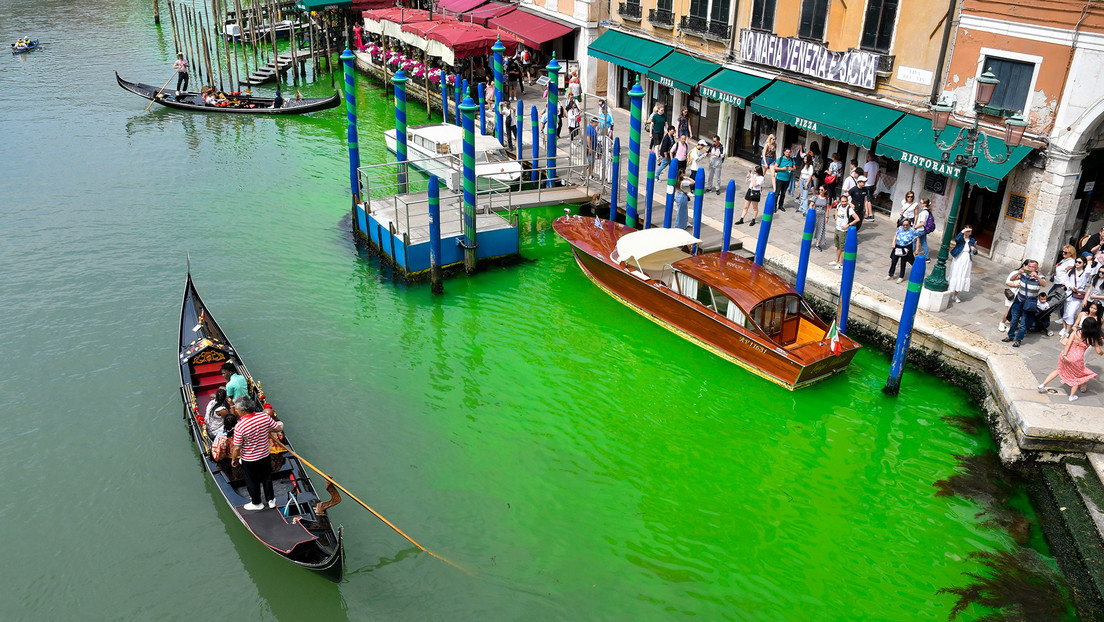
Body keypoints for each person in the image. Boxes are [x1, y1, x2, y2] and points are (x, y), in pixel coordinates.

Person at [229, 396, 283, 510]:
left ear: (243, 410)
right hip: (265, 455)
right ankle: (271, 500)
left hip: (249, 459)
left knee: (252, 481)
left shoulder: (240, 426)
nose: (236, 411)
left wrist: (234, 459)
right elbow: (278, 428)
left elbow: (237, 448)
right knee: (267, 477)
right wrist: (266, 429)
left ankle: (257, 503)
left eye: (237, 409)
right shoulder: (264, 416)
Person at [1038, 317, 1104, 401]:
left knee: (1058, 370)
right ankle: (1072, 396)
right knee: (1077, 377)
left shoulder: (1076, 332)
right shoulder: (1092, 338)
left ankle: (1043, 385)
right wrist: (1102, 353)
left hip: (1066, 354)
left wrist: (1065, 355)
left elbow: (1068, 344)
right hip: (1077, 358)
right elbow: (1098, 351)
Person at [1004, 260, 1047, 347]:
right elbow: (1011, 279)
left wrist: (1037, 277)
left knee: (1024, 323)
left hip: (1029, 303)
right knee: (1014, 320)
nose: (1031, 268)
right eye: (1029, 266)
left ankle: (1018, 340)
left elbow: (1044, 284)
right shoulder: (1024, 274)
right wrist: (1018, 273)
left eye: (1033, 267)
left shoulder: (1040, 276)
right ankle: (1010, 336)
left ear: (1037, 268)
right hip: (1019, 300)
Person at [1061, 256, 1091, 337]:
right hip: (1069, 293)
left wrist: (1088, 262)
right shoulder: (1072, 271)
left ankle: (1067, 331)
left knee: (1071, 313)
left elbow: (1089, 270)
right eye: (1076, 262)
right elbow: (1065, 280)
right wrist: (1070, 286)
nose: (1077, 263)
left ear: (1084, 264)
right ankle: (1064, 328)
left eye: (1079, 262)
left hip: (1078, 295)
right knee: (1066, 312)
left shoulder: (1085, 273)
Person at [999, 260, 1032, 333]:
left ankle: (1011, 326)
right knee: (1009, 311)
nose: (1029, 268)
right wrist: (1016, 285)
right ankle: (1002, 323)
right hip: (1012, 294)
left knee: (1015, 312)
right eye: (1028, 266)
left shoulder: (1029, 275)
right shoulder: (1016, 273)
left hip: (1021, 296)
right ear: (1024, 265)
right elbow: (1008, 282)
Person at [948, 225, 978, 302]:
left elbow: (975, 252)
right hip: (959, 258)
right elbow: (957, 239)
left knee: (962, 275)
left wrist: (974, 250)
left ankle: (955, 295)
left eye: (970, 231)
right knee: (955, 273)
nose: (969, 232)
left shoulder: (972, 240)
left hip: (967, 259)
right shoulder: (961, 238)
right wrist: (962, 232)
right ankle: (949, 291)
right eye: (967, 230)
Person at [830, 193, 860, 269]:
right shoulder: (839, 206)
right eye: (842, 201)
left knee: (843, 248)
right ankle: (836, 260)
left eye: (845, 201)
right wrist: (836, 218)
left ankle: (841, 264)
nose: (844, 203)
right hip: (838, 228)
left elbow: (857, 219)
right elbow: (836, 210)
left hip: (843, 231)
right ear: (840, 201)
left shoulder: (849, 209)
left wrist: (848, 225)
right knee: (838, 246)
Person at [888, 218, 918, 283]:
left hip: (906, 247)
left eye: (906, 225)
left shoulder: (912, 230)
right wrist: (893, 242)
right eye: (904, 225)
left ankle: (901, 276)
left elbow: (917, 239)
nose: (905, 226)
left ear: (909, 225)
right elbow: (895, 235)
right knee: (894, 260)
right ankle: (890, 274)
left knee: (903, 262)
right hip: (898, 246)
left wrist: (917, 249)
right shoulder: (900, 228)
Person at [862, 154, 880, 220]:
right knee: (867, 199)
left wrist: (862, 183)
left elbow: (865, 175)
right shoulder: (876, 164)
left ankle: (869, 214)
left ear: (869, 157)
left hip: (867, 184)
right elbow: (878, 175)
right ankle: (867, 213)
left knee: (867, 200)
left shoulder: (867, 165)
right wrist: (875, 183)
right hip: (872, 184)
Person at [811, 186, 829, 251]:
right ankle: (810, 241)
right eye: (819, 190)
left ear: (825, 191)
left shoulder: (826, 199)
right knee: (813, 228)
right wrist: (811, 212)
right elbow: (811, 205)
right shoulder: (816, 197)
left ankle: (817, 244)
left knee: (820, 229)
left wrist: (827, 217)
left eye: (822, 190)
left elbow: (827, 209)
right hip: (815, 215)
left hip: (822, 216)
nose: (820, 191)